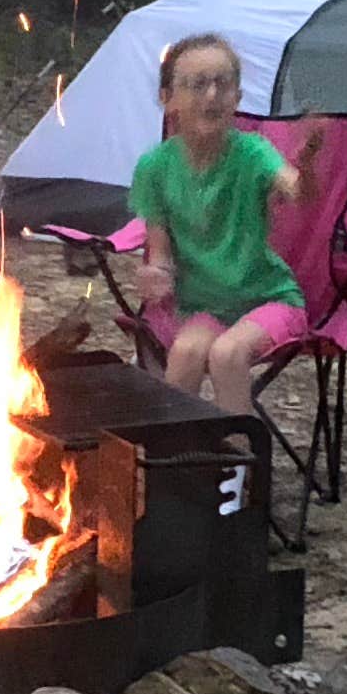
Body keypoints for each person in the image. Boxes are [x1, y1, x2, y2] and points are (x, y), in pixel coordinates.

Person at [127, 33, 304, 414]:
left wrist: (308, 171)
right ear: (167, 98)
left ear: (237, 98)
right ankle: (178, 459)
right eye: (195, 85)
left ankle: (239, 467)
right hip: (203, 307)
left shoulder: (253, 153)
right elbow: (159, 252)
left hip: (267, 299)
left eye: (222, 85)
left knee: (227, 354)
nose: (211, 96)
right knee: (186, 352)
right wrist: (156, 273)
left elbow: (294, 189)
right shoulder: (155, 168)